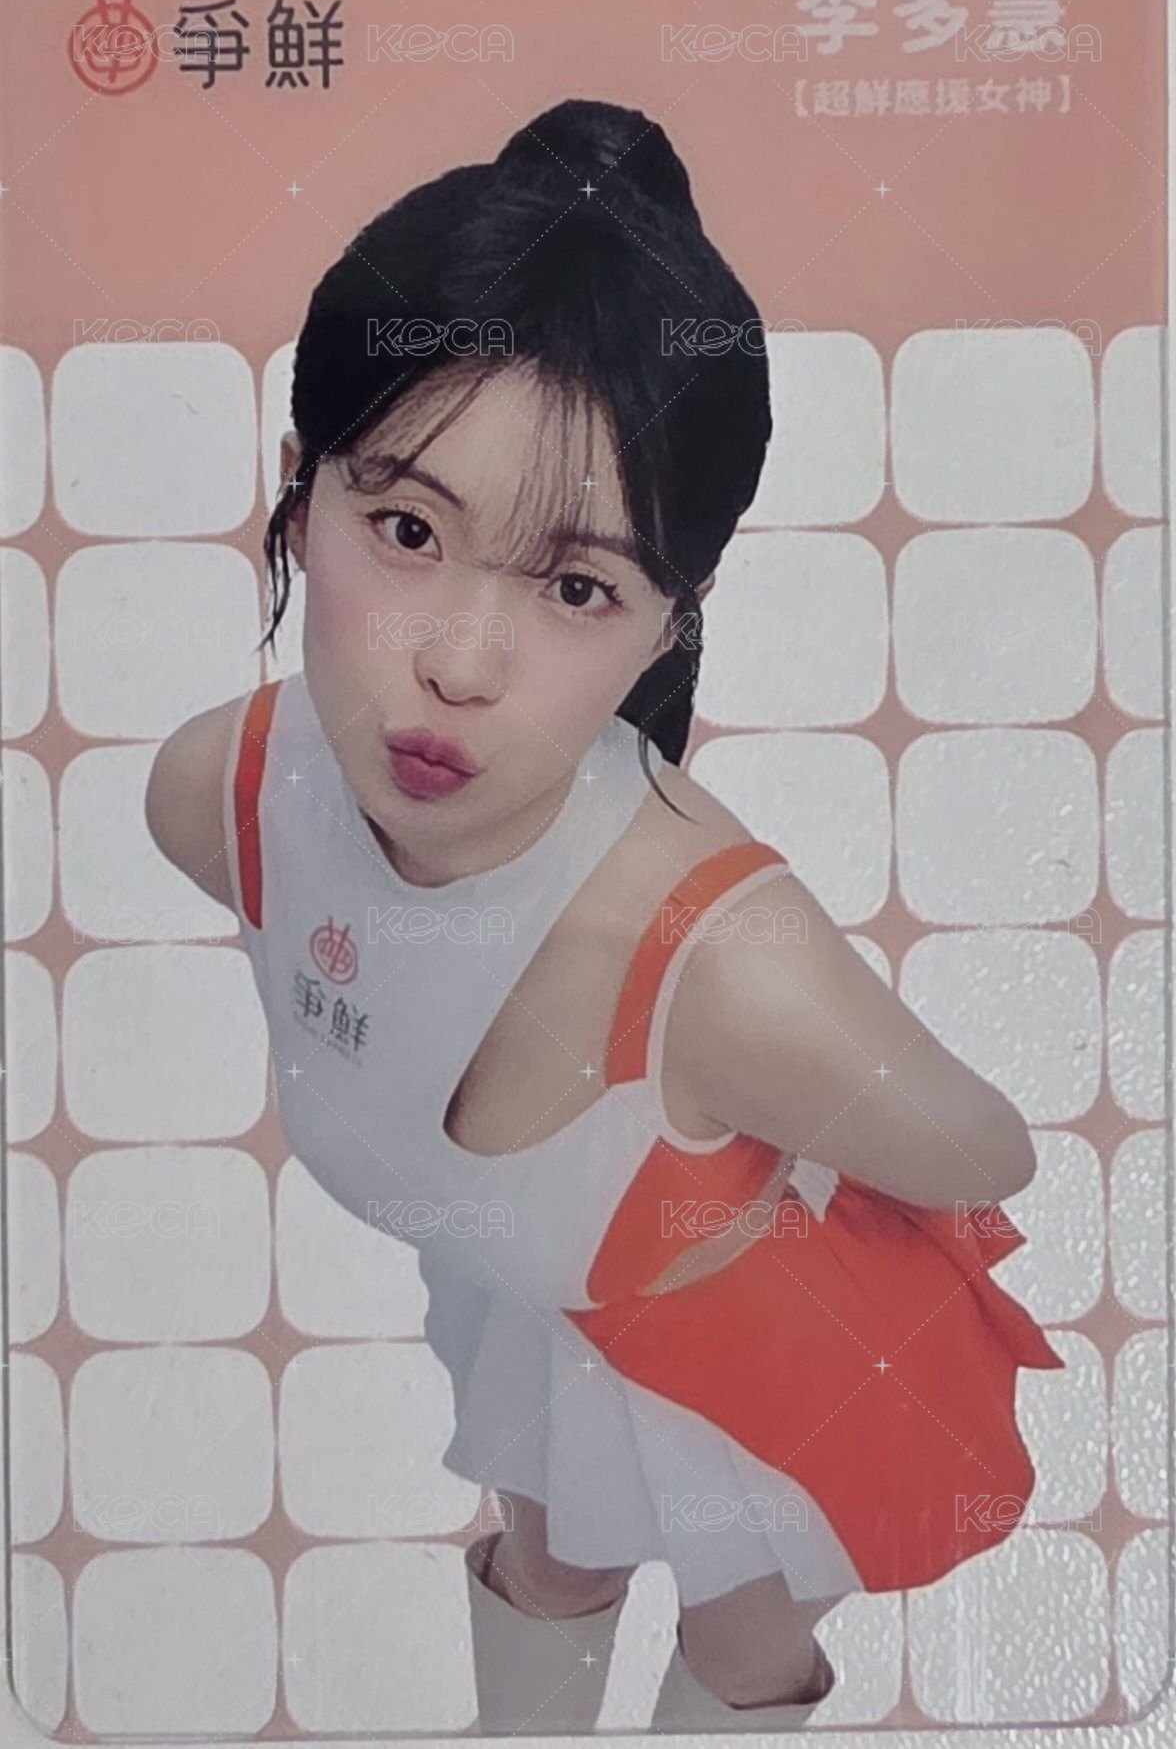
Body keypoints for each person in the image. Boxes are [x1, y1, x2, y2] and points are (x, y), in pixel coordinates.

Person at [145, 97, 1066, 1736]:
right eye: (407, 528)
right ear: (299, 489)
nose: (458, 662)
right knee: (551, 1558)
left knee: (738, 1639)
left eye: (575, 586)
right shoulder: (223, 795)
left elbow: (984, 1147)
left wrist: (764, 1133)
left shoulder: (726, 973)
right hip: (536, 1280)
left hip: (746, 1329)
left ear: (665, 626)